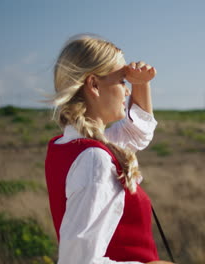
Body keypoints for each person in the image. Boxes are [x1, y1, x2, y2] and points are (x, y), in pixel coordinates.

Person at [44, 34, 174, 264]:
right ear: (94, 85)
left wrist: (140, 83)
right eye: (122, 82)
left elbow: (138, 133)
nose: (126, 91)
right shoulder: (93, 158)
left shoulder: (66, 146)